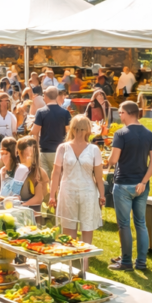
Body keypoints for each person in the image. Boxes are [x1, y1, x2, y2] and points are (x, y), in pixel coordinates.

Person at [48, 115, 106, 271]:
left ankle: (79, 267)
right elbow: (98, 177)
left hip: (82, 192)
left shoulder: (90, 149)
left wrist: (52, 195)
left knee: (79, 230)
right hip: (72, 191)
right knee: (75, 230)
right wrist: (102, 195)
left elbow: (56, 174)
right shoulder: (65, 147)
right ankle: (75, 267)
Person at [107, 101, 152, 271]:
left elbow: (113, 160)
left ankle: (127, 262)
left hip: (123, 184)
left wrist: (108, 158)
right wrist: (144, 181)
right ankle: (141, 262)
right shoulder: (149, 134)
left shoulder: (121, 134)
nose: (119, 115)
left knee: (124, 224)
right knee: (140, 223)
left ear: (129, 113)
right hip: (141, 186)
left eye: (121, 112)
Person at [30, 86, 71, 176]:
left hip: (44, 150)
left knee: (45, 179)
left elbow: (34, 131)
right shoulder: (65, 113)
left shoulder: (40, 112)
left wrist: (31, 124)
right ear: (57, 96)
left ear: (45, 96)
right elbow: (69, 132)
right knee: (59, 178)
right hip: (60, 150)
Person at [15, 136, 49, 211]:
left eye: (30, 156)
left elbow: (38, 198)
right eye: (26, 156)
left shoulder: (38, 173)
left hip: (32, 213)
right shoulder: (16, 170)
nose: (28, 159)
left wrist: (20, 207)